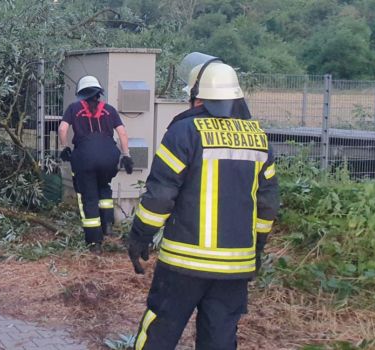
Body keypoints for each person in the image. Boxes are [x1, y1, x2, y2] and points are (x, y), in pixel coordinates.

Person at [126, 53, 280, 350]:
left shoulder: (184, 132)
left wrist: (139, 236)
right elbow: (268, 205)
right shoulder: (259, 138)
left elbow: (160, 196)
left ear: (198, 97)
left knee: (159, 329)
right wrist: (257, 248)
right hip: (235, 266)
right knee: (220, 338)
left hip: (183, 263)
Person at [58, 75, 134, 250]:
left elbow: (62, 128)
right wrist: (126, 155)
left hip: (85, 157)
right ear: (99, 93)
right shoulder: (110, 110)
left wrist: (64, 147)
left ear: (81, 94)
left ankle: (94, 242)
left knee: (90, 197)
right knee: (104, 187)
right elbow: (122, 133)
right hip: (109, 156)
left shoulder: (73, 108)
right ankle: (107, 227)